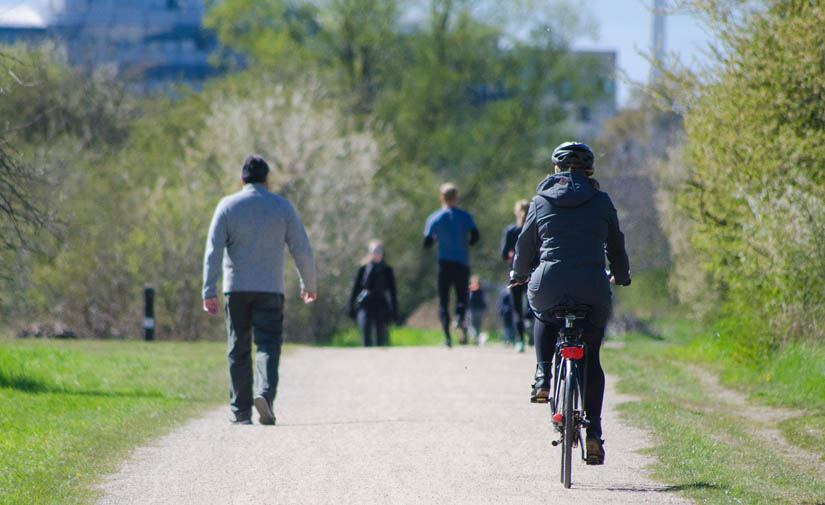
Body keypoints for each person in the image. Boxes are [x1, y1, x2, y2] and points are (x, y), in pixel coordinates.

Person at [510, 141, 630, 465]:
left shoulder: (540, 200)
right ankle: (593, 432)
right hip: (592, 287)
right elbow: (616, 245)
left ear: (556, 170)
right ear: (590, 171)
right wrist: (621, 274)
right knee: (592, 357)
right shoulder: (602, 201)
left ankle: (543, 376)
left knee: (543, 314)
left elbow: (524, 246)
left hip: (549, 284)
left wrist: (518, 275)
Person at [203, 155, 317, 426]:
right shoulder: (282, 207)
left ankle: (241, 412)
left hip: (236, 289)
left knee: (238, 348)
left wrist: (209, 290)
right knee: (268, 344)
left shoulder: (227, 206)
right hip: (270, 289)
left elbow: (213, 251)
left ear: (242, 179)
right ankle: (264, 394)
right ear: (267, 180)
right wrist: (309, 284)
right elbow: (301, 248)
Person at [423, 183, 480, 347]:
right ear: (456, 197)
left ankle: (448, 338)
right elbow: (475, 236)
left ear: (441, 197)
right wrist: (466, 243)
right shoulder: (465, 216)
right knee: (462, 296)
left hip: (444, 263)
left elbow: (426, 243)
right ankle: (460, 317)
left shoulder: (435, 218)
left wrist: (436, 238)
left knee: (444, 300)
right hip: (462, 262)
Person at [348, 239, 398, 347]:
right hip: (366, 304)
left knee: (380, 336)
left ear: (382, 253)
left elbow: (393, 291)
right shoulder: (363, 269)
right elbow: (355, 288)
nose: (376, 255)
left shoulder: (387, 270)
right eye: (373, 252)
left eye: (378, 252)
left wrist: (394, 310)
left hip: (381, 304)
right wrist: (351, 306)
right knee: (365, 331)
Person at [500, 199, 531, 352]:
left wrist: (513, 256)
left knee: (517, 308)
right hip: (532, 273)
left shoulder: (510, 231)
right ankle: (530, 324)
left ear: (516, 212)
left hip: (515, 274)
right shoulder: (534, 229)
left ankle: (520, 341)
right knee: (534, 305)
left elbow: (504, 254)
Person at [467, 275, 487, 344]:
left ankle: (474, 337)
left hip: (473, 310)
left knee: (472, 325)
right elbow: (484, 300)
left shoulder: (470, 289)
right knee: (478, 325)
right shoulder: (481, 290)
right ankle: (476, 338)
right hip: (479, 310)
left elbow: (468, 300)